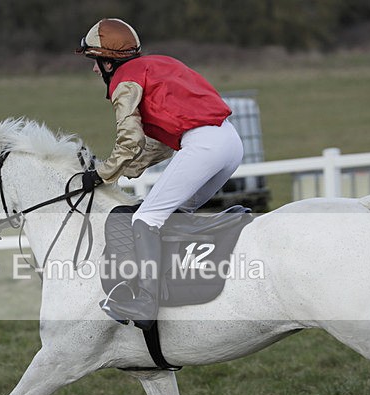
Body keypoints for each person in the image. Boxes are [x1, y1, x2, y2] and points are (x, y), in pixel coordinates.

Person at [76, 18, 244, 330]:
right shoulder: (160, 63)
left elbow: (130, 140)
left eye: (96, 62)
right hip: (230, 142)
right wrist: (132, 167)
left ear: (109, 62)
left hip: (203, 146)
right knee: (173, 214)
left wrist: (102, 174)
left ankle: (145, 303)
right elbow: (164, 140)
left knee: (145, 219)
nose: (95, 70)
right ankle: (175, 283)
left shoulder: (123, 83)